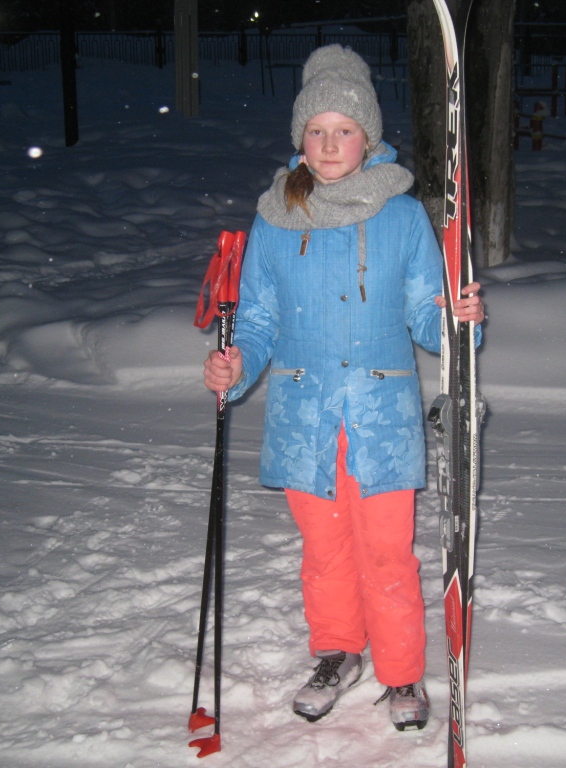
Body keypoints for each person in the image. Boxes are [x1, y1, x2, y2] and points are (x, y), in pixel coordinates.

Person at [203, 44, 484, 731]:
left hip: (380, 415)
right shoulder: (276, 216)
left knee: (387, 554)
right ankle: (337, 652)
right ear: (300, 136)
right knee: (324, 551)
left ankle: (401, 673)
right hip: (304, 414)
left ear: (370, 137)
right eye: (316, 130)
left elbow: (427, 318)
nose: (329, 145)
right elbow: (259, 318)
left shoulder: (401, 216)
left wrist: (458, 320)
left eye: (344, 130)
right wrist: (237, 365)